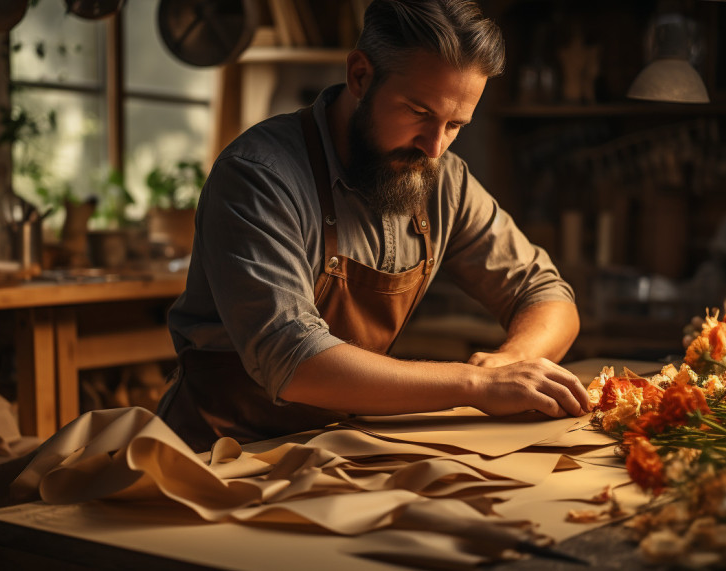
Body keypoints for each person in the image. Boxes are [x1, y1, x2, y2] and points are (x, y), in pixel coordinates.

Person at [159, 0, 587, 452]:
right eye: (419, 112)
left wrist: (511, 363)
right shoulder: (258, 176)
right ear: (360, 75)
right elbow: (295, 361)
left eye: (455, 125)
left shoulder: (441, 178)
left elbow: (546, 293)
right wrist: (476, 385)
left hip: (332, 449)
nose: (434, 147)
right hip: (216, 456)